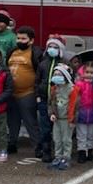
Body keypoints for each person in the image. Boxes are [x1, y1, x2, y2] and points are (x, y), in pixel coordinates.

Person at [6, 26, 42, 156]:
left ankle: (38, 146)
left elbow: (39, 73)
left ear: (31, 40)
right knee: (12, 121)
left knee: (30, 121)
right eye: (18, 38)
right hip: (11, 93)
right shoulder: (12, 52)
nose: (20, 41)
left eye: (23, 38)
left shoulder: (36, 53)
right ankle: (12, 143)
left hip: (28, 92)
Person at [35, 35, 67, 164]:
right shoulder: (43, 64)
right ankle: (46, 150)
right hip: (44, 100)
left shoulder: (64, 63)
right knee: (45, 127)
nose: (52, 49)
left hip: (59, 101)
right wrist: (37, 95)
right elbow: (37, 81)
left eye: (55, 47)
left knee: (59, 128)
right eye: (50, 47)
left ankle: (61, 152)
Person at [47, 63, 77, 171]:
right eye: (55, 74)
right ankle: (58, 156)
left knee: (66, 139)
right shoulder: (54, 89)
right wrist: (52, 114)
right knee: (57, 139)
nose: (56, 76)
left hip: (67, 120)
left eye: (59, 74)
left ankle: (66, 157)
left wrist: (72, 119)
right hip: (57, 119)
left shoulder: (72, 89)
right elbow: (50, 103)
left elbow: (75, 106)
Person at [74, 64, 93, 163]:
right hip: (82, 112)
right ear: (82, 73)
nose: (89, 75)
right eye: (87, 72)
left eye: (92, 73)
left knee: (90, 134)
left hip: (92, 112)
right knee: (81, 134)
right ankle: (82, 153)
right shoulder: (79, 85)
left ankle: (90, 152)